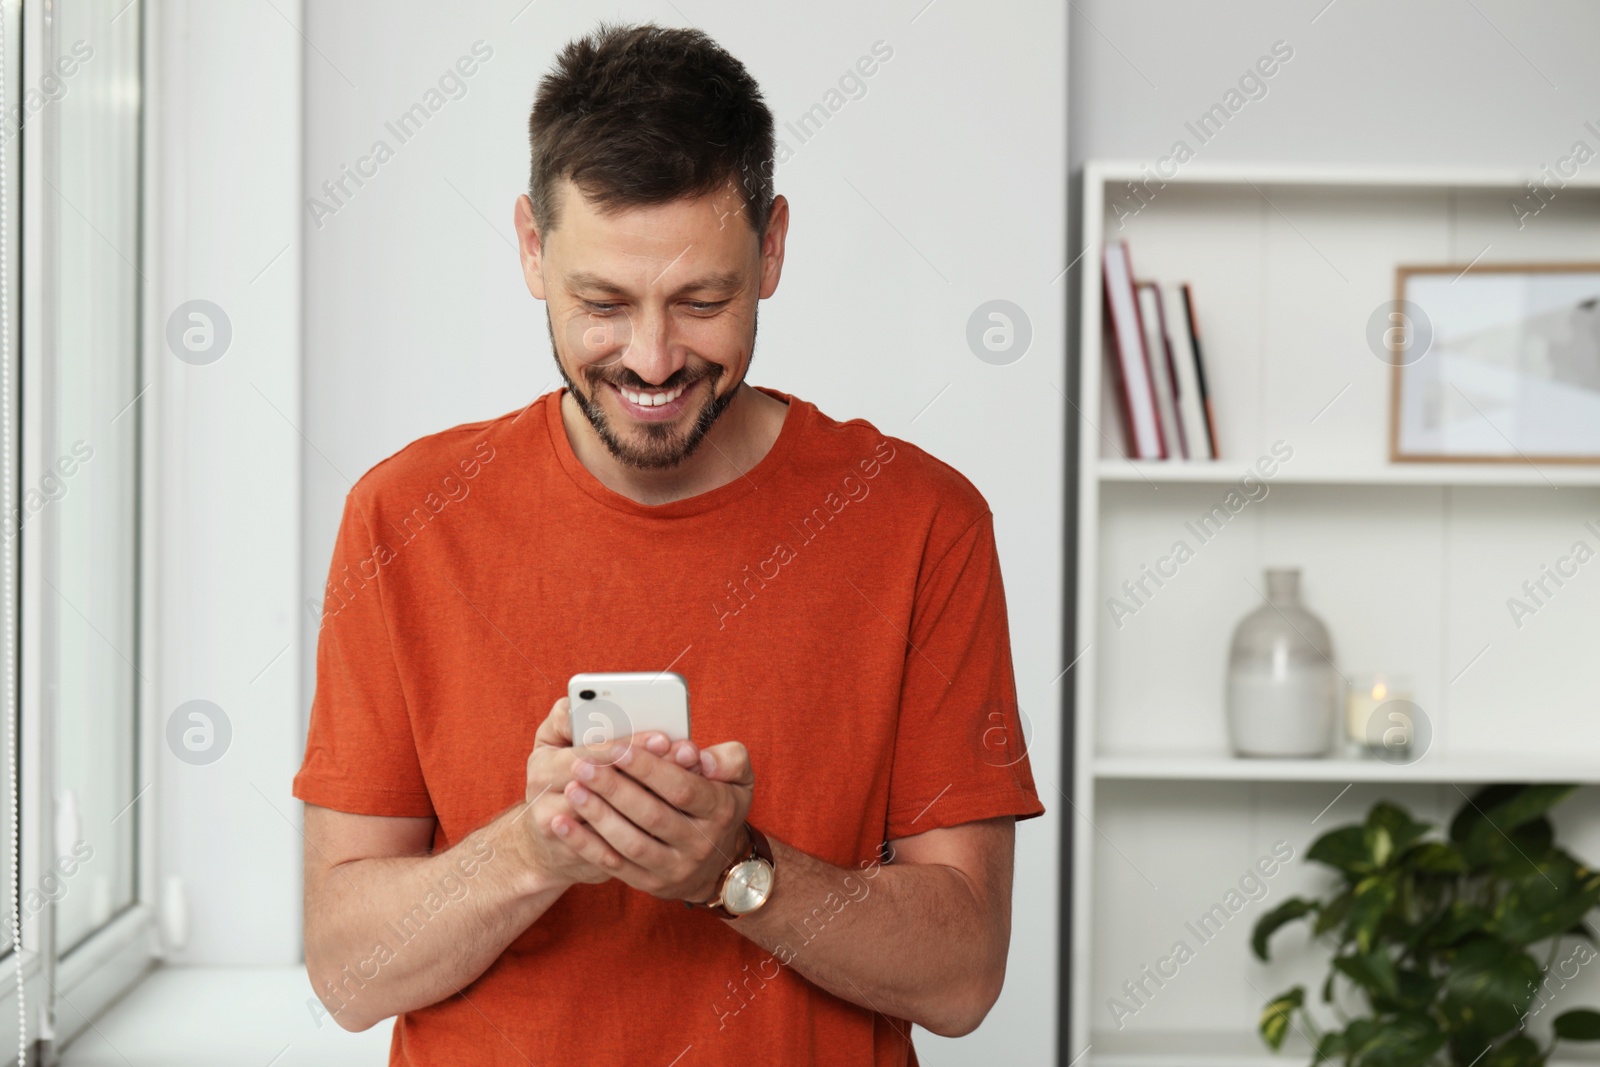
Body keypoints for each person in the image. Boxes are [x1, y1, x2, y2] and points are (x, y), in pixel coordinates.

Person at [293, 20, 1044, 1067]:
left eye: (703, 300)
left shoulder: (922, 523)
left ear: (771, 247)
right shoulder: (401, 515)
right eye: (601, 302)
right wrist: (531, 846)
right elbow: (347, 972)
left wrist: (734, 871)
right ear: (529, 247)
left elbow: (963, 974)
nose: (650, 358)